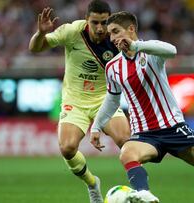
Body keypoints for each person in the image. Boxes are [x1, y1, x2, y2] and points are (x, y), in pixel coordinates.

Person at [90, 11, 194, 203]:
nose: (112, 38)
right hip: (145, 134)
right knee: (127, 153)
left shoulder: (150, 52)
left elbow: (172, 50)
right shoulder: (113, 67)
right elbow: (112, 100)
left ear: (131, 29)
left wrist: (136, 46)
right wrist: (97, 126)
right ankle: (143, 194)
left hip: (174, 128)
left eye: (116, 31)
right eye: (110, 33)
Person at [28, 1, 131, 203]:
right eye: (95, 22)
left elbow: (137, 60)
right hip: (74, 101)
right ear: (87, 20)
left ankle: (139, 190)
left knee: (126, 141)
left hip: (105, 99)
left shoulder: (118, 38)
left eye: (104, 23)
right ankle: (92, 184)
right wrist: (41, 33)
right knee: (67, 148)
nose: (100, 28)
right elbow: (35, 49)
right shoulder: (72, 31)